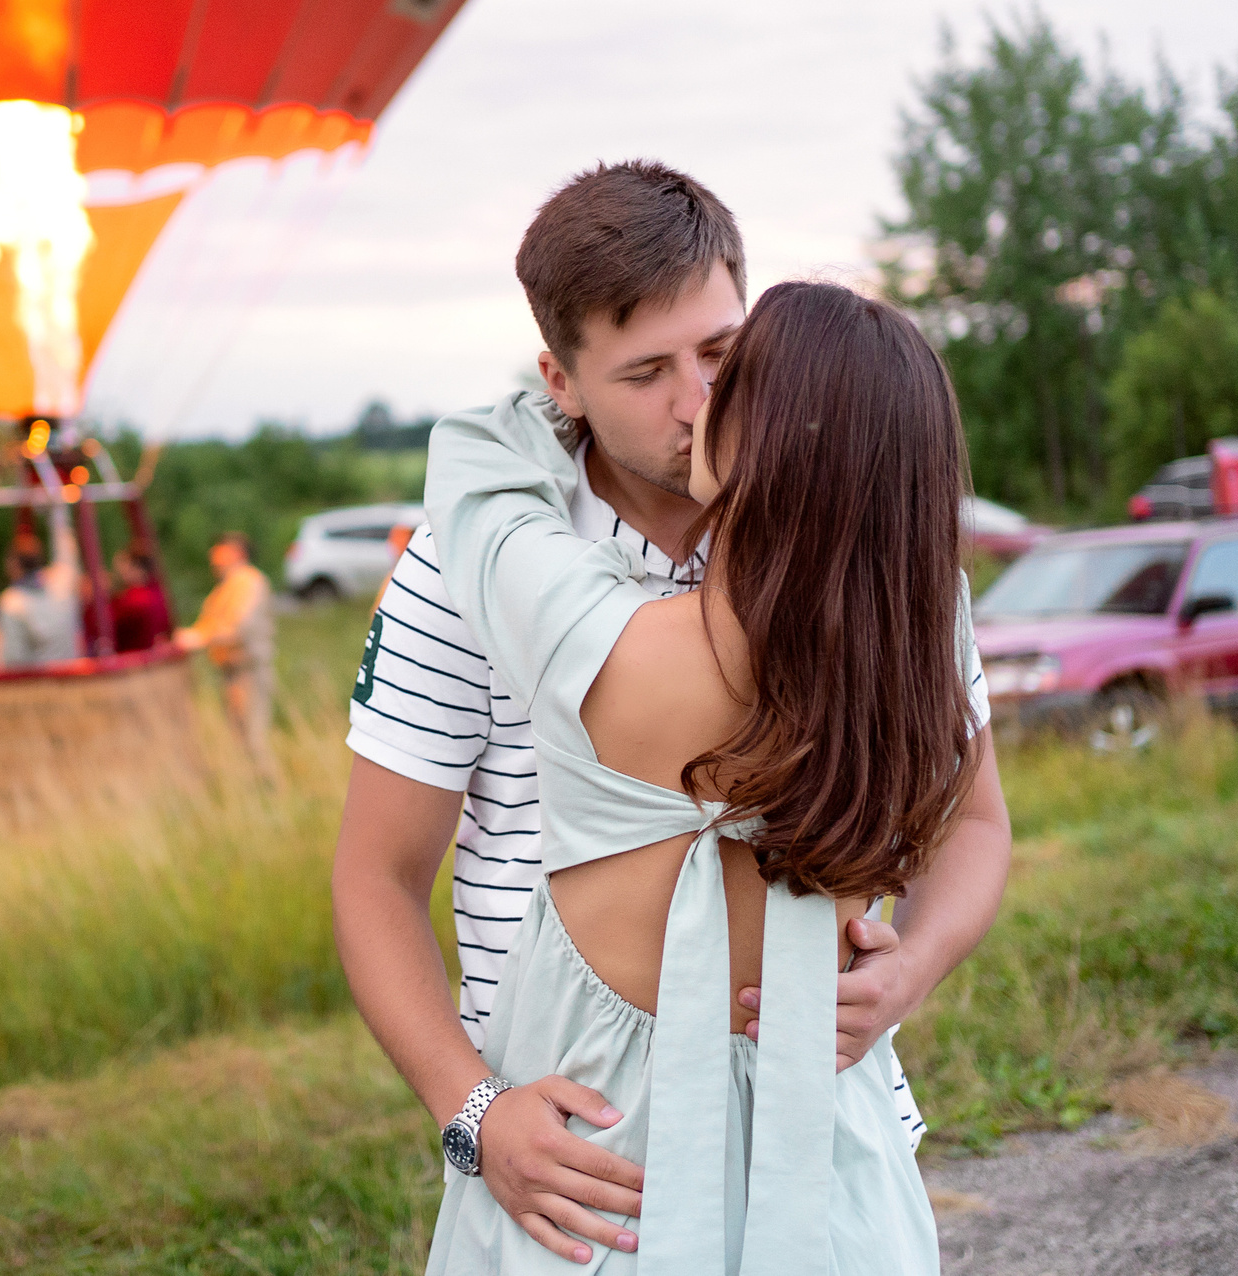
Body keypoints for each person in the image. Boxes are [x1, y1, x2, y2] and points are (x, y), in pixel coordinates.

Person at [332, 162, 1010, 1266]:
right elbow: (375, 877)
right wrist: (472, 1110)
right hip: (583, 1145)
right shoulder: (461, 572)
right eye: (645, 371)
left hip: (813, 1114)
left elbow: (976, 822)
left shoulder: (871, 563)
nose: (695, 402)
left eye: (721, 356)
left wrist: (914, 963)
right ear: (560, 379)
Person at [176, 532, 276, 763]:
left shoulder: (250, 581)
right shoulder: (225, 587)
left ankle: (268, 788)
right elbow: (210, 624)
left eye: (219, 550)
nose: (213, 557)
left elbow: (239, 625)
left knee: (253, 737)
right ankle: (253, 790)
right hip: (230, 671)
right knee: (239, 738)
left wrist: (199, 637)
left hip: (248, 670)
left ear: (236, 552)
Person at [0, 523, 83, 668]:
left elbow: (13, 658)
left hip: (37, 684)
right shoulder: (62, 584)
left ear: (13, 564)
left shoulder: (11, 602)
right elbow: (68, 552)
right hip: (71, 679)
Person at [109, 549, 171, 652]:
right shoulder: (157, 593)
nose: (121, 572)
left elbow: (105, 622)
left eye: (125, 566)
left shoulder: (135, 599)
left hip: (134, 658)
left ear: (137, 567)